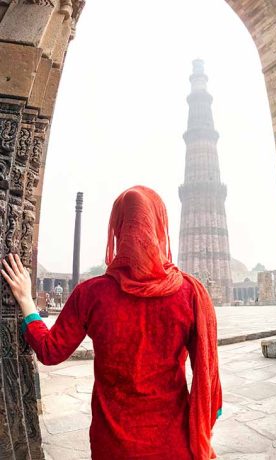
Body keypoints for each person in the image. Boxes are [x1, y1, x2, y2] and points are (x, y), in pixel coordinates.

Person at [1, 185, 222, 460]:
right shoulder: (190, 294)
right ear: (159, 226)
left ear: (118, 228)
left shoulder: (92, 294)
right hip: (173, 443)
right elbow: (207, 376)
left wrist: (26, 300)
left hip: (114, 445)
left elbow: (50, 351)